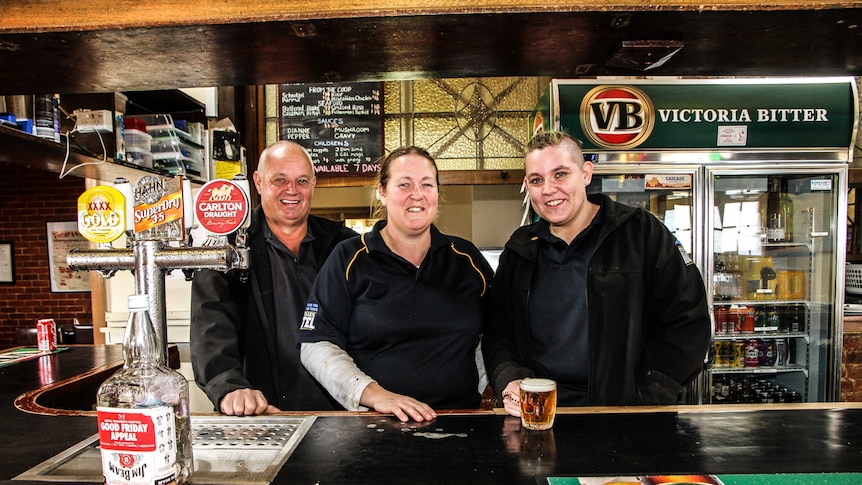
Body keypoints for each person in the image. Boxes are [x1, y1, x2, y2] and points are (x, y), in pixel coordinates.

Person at [482, 131, 710, 416]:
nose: (548, 189)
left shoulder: (640, 233)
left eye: (561, 174)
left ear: (586, 173)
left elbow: (687, 319)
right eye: (537, 180)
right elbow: (497, 330)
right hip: (541, 413)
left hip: (625, 417)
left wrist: (651, 393)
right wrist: (509, 376)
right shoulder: (520, 250)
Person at [298, 146, 494, 422]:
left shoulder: (466, 258)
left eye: (427, 184)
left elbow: (498, 335)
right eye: (404, 184)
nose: (417, 194)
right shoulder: (349, 257)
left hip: (461, 420)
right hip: (376, 424)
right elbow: (315, 344)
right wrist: (375, 394)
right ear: (383, 191)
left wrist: (490, 384)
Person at [190, 140, 357, 416]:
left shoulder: (344, 246)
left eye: (301, 180)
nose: (291, 190)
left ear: (314, 183)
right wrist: (229, 387)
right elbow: (211, 327)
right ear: (258, 181)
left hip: (341, 414)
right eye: (280, 180)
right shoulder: (227, 250)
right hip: (264, 414)